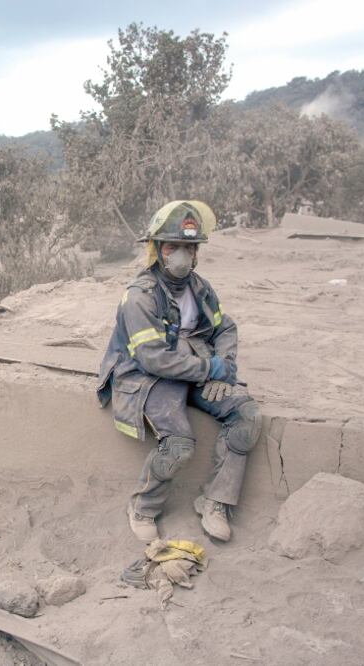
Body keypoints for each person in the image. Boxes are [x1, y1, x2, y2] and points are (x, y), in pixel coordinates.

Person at [97, 200, 262, 543]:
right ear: (157, 250)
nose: (182, 255)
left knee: (246, 415)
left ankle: (215, 501)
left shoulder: (199, 288)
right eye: (173, 246)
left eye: (189, 247)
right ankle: (143, 506)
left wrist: (225, 366)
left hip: (194, 370)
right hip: (148, 378)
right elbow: (154, 358)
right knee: (179, 445)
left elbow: (225, 329)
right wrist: (208, 368)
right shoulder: (140, 296)